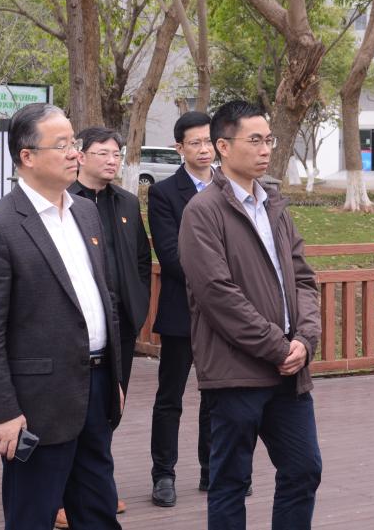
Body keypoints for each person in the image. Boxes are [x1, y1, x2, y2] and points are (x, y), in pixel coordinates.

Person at [0, 103, 125, 530]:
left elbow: (103, 300)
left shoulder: (85, 212)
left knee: (99, 512)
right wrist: (1, 411)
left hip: (96, 387)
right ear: (27, 156)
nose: (75, 153)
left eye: (75, 142)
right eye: (62, 145)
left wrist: (113, 375)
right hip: (36, 402)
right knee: (32, 516)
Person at [178, 100, 322, 530]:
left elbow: (303, 278)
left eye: (269, 140)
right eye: (254, 140)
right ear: (223, 146)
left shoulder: (274, 205)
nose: (265, 149)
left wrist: (305, 340)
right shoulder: (203, 211)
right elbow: (217, 294)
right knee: (230, 482)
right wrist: (277, 346)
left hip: (289, 370)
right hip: (236, 371)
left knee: (303, 469)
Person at [55, 126, 151, 528]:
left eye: (117, 154)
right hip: (76, 325)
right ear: (81, 155)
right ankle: (61, 495)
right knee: (70, 408)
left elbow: (142, 259)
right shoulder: (64, 200)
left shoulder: (126, 202)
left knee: (110, 406)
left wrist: (137, 306)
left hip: (119, 324)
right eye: (104, 153)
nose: (112, 161)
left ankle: (96, 487)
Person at [147, 111, 222, 507]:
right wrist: (220, 281)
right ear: (179, 147)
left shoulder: (229, 187)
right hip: (183, 311)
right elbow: (171, 255)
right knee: (170, 397)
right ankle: (164, 474)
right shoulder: (163, 194)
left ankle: (213, 471)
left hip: (225, 316)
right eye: (195, 142)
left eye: (209, 141)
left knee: (217, 396)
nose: (204, 149)